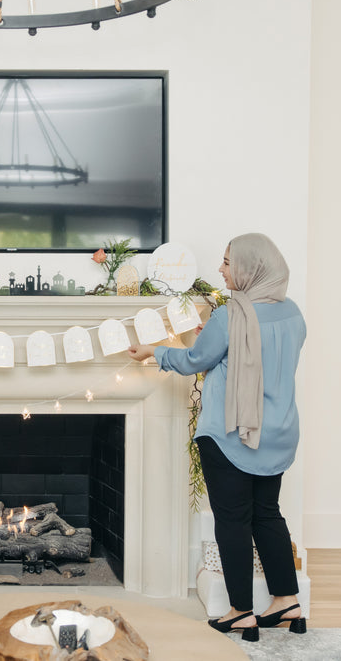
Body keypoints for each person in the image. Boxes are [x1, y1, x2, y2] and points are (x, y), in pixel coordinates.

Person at [128, 233, 307, 643]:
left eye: (228, 262)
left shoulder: (232, 316)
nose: (222, 269)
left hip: (231, 434)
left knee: (232, 520)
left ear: (250, 267)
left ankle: (240, 612)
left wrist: (154, 352)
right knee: (268, 515)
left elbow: (196, 359)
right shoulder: (294, 314)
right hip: (279, 433)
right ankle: (287, 601)